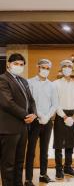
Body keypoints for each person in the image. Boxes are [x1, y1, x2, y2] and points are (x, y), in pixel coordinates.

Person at [0, 53, 37, 186]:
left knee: (20, 161)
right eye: (16, 64)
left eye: (21, 64)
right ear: (9, 64)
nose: (19, 66)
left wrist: (34, 114)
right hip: (9, 127)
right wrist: (25, 115)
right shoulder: (3, 79)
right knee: (8, 163)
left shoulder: (23, 81)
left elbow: (31, 101)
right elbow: (7, 103)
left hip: (23, 127)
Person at [25, 59, 58, 186]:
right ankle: (28, 179)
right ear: (38, 67)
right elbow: (29, 102)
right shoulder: (30, 82)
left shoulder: (52, 85)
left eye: (47, 68)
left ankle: (43, 175)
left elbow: (55, 104)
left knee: (45, 150)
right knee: (31, 150)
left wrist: (47, 117)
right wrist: (40, 115)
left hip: (48, 122)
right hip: (34, 121)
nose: (45, 70)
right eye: (43, 67)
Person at [53, 59, 74, 180]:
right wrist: (64, 116)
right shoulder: (55, 83)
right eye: (65, 66)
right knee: (59, 143)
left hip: (73, 115)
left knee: (70, 142)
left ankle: (68, 167)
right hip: (61, 115)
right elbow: (55, 102)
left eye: (69, 66)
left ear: (72, 68)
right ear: (61, 68)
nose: (67, 68)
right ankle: (59, 169)